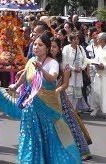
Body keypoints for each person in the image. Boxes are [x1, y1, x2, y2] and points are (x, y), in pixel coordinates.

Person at [9, 32, 81, 163]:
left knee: (47, 134)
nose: (36, 47)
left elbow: (52, 78)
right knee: (30, 134)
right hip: (31, 104)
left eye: (40, 45)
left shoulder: (52, 63)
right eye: (35, 44)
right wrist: (15, 85)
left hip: (47, 105)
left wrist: (41, 69)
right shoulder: (31, 60)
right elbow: (25, 75)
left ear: (47, 48)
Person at [51, 37, 92, 161]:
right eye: (50, 46)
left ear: (59, 49)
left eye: (54, 47)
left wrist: (55, 92)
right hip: (45, 98)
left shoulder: (64, 64)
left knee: (67, 124)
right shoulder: (44, 61)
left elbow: (65, 83)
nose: (52, 49)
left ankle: (78, 150)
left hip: (59, 98)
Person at [62, 32, 88, 111]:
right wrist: (73, 69)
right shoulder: (66, 48)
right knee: (69, 94)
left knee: (76, 95)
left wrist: (82, 67)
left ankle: (74, 111)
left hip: (79, 75)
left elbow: (85, 59)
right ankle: (68, 111)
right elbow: (64, 61)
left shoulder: (80, 48)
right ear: (70, 40)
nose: (76, 41)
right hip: (69, 75)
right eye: (74, 39)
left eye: (77, 39)